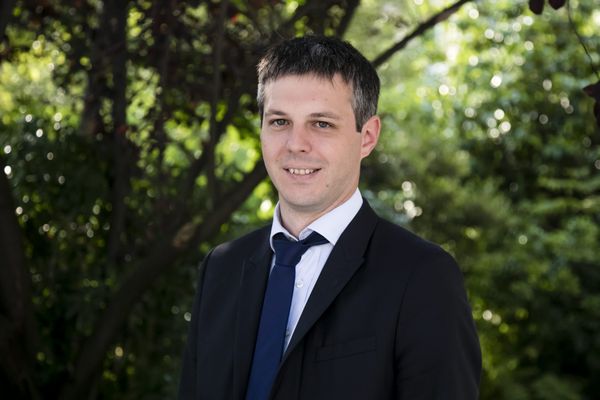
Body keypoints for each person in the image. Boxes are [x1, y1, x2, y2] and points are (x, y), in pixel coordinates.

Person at [178, 35, 481, 400]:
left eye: (321, 124)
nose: (296, 144)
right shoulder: (222, 268)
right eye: (279, 122)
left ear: (367, 137)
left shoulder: (422, 276)